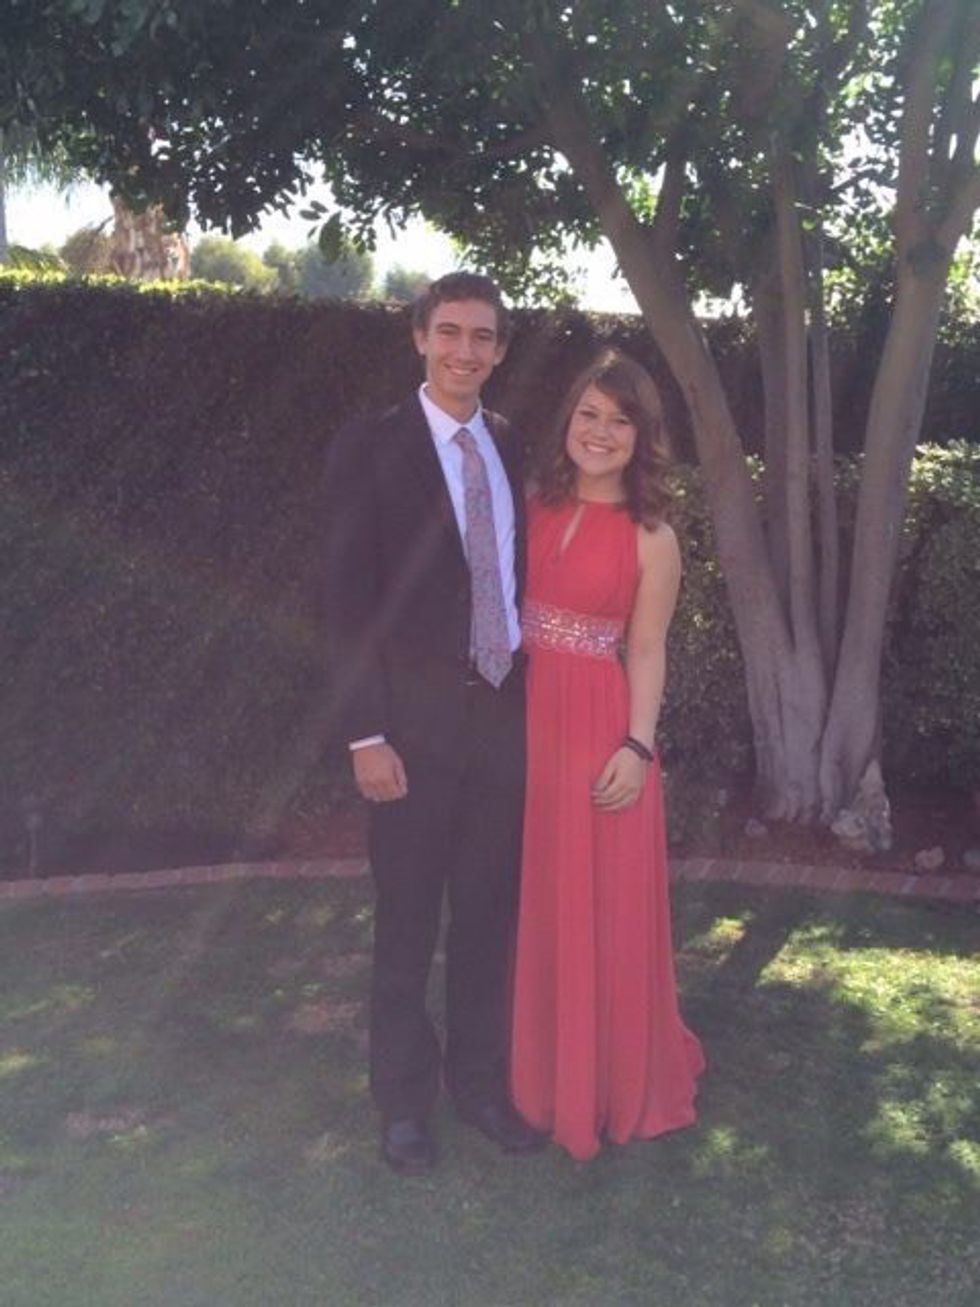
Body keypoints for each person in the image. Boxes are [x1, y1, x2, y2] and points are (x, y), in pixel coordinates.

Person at [322, 272, 544, 1174]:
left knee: (489, 918)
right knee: (407, 924)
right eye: (448, 331)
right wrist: (364, 734)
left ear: (500, 349)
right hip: (407, 735)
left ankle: (480, 1086)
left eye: (482, 336)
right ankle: (404, 1103)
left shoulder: (510, 442)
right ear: (419, 337)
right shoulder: (369, 445)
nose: (464, 350)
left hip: (502, 724)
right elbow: (344, 599)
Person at [511, 348, 705, 1162]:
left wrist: (638, 745)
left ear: (642, 435)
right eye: (588, 414)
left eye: (620, 420)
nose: (600, 431)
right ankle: (539, 1072)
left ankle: (610, 1080)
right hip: (521, 722)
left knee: (603, 906)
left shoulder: (652, 536)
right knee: (539, 896)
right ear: (568, 420)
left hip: (598, 731)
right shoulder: (533, 503)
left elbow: (649, 648)